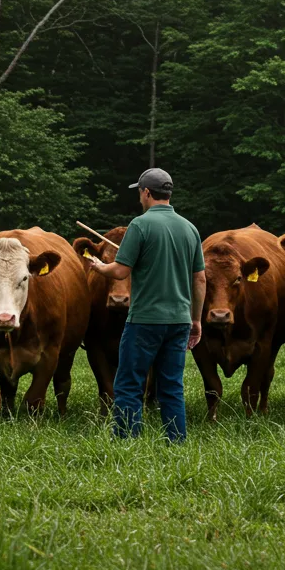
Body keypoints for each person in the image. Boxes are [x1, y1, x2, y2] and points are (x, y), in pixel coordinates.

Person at [87, 168, 205, 442]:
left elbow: (120, 271)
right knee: (172, 386)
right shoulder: (190, 228)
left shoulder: (140, 225)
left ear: (146, 192)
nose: (140, 197)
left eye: (140, 192)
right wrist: (195, 320)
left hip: (144, 320)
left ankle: (127, 441)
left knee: (129, 383)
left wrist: (99, 267)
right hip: (178, 321)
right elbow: (199, 279)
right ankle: (176, 442)